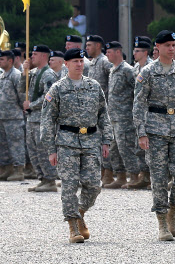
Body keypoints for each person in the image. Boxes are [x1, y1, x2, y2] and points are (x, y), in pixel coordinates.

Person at [40, 48, 113, 243]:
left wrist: (106, 140)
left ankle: (79, 212)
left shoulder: (94, 86)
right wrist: (51, 150)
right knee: (69, 186)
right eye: (75, 62)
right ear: (66, 64)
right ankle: (73, 226)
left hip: (90, 141)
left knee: (93, 185)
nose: (79, 65)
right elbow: (47, 121)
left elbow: (103, 115)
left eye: (81, 61)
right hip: (66, 142)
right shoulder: (57, 88)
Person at [133, 30, 175, 241]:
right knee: (159, 178)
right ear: (157, 48)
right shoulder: (148, 72)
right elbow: (139, 103)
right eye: (167, 45)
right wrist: (141, 133)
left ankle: (172, 212)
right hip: (155, 130)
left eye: (174, 45)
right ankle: (162, 222)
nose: (172, 48)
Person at [20, 45, 59, 192]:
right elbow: (20, 89)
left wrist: (32, 104)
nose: (31, 57)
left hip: (43, 119)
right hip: (32, 119)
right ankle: (42, 178)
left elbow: (49, 96)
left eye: (35, 54)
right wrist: (24, 73)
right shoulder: (34, 73)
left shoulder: (48, 74)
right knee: (33, 151)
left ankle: (50, 180)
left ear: (44, 56)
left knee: (43, 150)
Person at [104, 41, 140, 189]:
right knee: (114, 148)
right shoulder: (113, 70)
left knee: (126, 147)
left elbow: (137, 90)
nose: (107, 54)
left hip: (125, 117)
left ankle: (134, 176)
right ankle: (120, 176)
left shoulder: (128, 70)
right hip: (113, 117)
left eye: (109, 52)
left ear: (118, 52)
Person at [85, 35, 116, 185]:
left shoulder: (105, 62)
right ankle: (102, 172)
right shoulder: (92, 63)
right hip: (94, 110)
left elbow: (114, 82)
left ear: (98, 46)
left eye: (89, 45)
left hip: (106, 109)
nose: (87, 48)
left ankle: (109, 173)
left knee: (106, 142)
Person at [128, 37, 153, 189]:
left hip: (151, 112)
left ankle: (155, 176)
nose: (134, 53)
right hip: (139, 112)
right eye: (134, 50)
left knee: (153, 145)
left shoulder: (152, 67)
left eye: (137, 51)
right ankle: (144, 175)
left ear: (145, 52)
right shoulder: (135, 68)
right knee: (140, 146)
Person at [0, 50, 26, 181]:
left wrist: (22, 108)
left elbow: (22, 95)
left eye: (2, 59)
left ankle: (19, 170)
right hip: (3, 116)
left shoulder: (16, 75)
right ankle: (7, 168)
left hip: (14, 117)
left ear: (10, 61)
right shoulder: (3, 75)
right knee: (4, 145)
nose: (0, 62)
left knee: (16, 144)